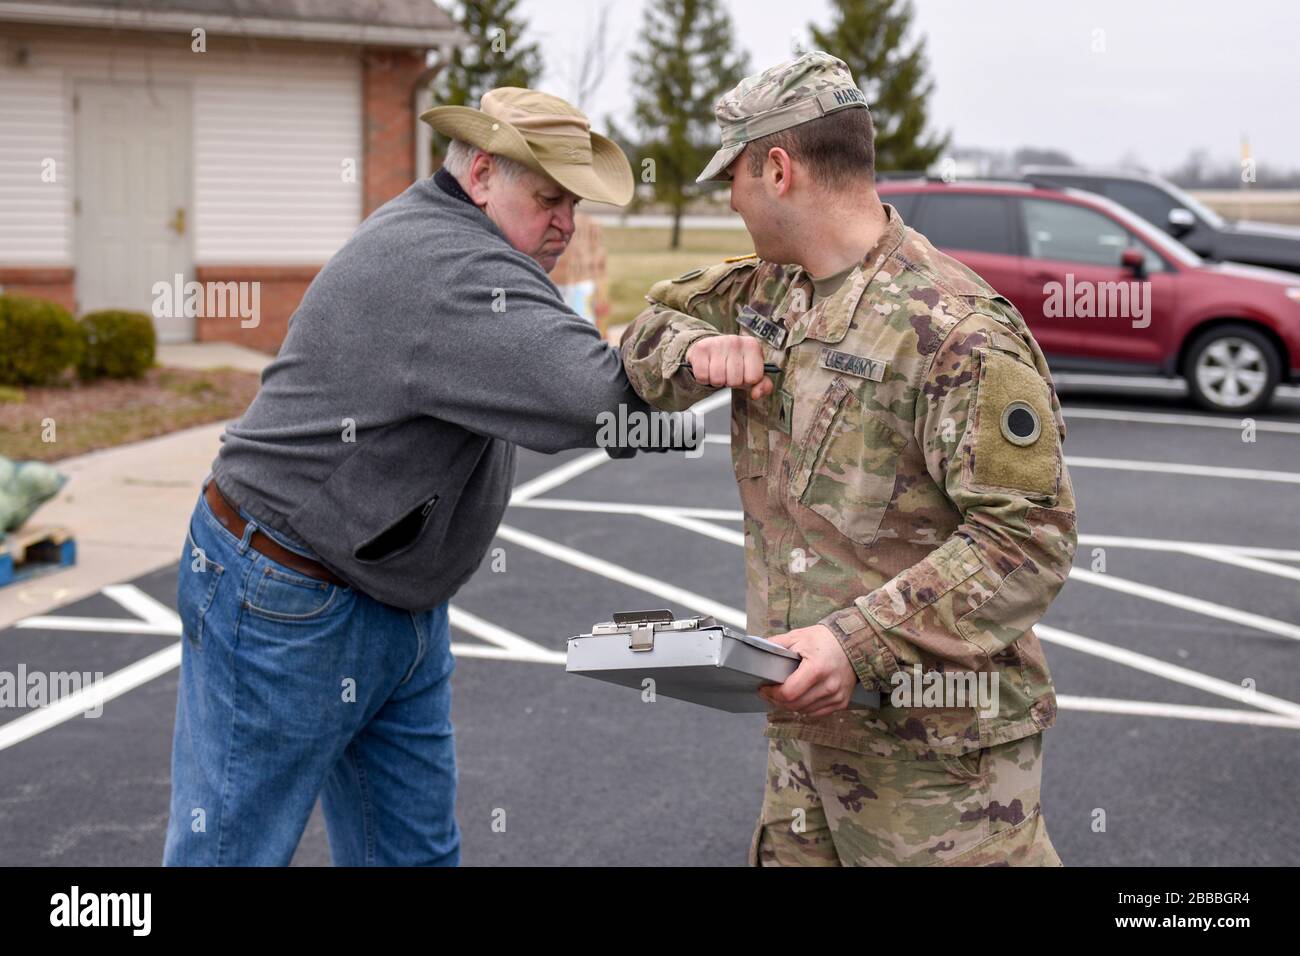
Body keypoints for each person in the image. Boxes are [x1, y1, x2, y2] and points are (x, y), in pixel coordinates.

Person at [164, 87, 683, 866]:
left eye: (571, 203)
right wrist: (704, 342)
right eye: (549, 198)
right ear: (481, 176)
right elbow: (606, 403)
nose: (566, 224)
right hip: (283, 594)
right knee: (230, 851)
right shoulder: (451, 268)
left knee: (412, 855)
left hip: (385, 596)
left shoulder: (470, 249)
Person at [619, 52, 1078, 866]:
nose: (728, 199)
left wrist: (852, 641)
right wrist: (695, 353)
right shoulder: (768, 291)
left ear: (778, 168)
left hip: (939, 770)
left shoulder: (955, 327)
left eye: (733, 177)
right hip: (806, 745)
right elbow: (647, 327)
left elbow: (1027, 543)